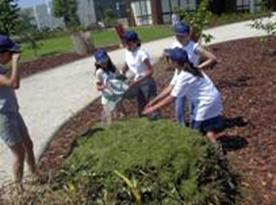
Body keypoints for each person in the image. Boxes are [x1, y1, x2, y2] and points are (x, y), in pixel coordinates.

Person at [143, 48, 223, 144]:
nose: (167, 60)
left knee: (194, 133)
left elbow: (172, 97)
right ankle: (217, 149)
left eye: (169, 59)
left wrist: (152, 109)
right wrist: (153, 101)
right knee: (206, 128)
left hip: (206, 103)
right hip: (211, 100)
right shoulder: (186, 68)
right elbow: (170, 87)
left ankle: (209, 152)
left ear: (175, 62)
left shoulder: (185, 75)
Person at [0, 35, 36, 189]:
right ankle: (19, 189)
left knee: (28, 144)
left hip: (13, 112)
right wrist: (15, 62)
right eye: (11, 53)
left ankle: (35, 175)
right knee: (19, 153)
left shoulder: (1, 67)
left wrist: (15, 63)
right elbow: (13, 84)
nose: (13, 56)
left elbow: (16, 84)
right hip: (3, 116)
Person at [169, 22, 217, 126]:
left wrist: (199, 67)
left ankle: (193, 129)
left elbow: (212, 58)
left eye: (182, 36)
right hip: (178, 79)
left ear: (188, 35)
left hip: (191, 81)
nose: (179, 38)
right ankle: (181, 127)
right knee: (179, 106)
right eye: (177, 35)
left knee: (193, 107)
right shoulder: (175, 45)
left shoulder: (194, 47)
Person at [121, 31, 159, 119]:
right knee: (141, 104)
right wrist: (123, 70)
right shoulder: (127, 52)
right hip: (137, 83)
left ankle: (157, 119)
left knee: (151, 103)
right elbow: (127, 63)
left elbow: (150, 71)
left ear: (135, 42)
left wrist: (140, 79)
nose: (127, 46)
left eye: (129, 44)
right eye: (125, 43)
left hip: (147, 83)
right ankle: (144, 120)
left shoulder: (142, 54)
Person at [94, 49, 128, 124]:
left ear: (108, 58)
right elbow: (98, 87)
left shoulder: (113, 69)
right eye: (100, 62)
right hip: (107, 97)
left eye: (104, 60)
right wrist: (105, 86)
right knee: (110, 118)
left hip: (116, 96)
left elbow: (120, 78)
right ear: (97, 63)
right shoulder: (99, 72)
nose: (103, 63)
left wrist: (124, 75)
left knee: (123, 114)